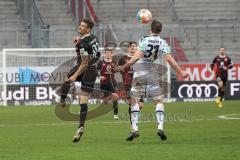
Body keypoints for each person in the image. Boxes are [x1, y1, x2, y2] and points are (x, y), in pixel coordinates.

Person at [115, 20, 188, 141]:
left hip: (139, 74)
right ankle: (160, 127)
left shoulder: (144, 39)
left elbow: (137, 57)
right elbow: (169, 59)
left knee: (135, 102)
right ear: (160, 30)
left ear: (151, 29)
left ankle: (135, 128)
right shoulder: (163, 42)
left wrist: (123, 66)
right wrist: (181, 72)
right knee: (159, 102)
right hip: (153, 75)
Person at [58, 18, 100, 143]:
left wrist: (75, 75)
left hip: (84, 67)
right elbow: (94, 53)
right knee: (83, 99)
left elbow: (84, 62)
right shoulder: (93, 37)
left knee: (68, 79)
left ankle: (62, 101)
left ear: (88, 29)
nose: (80, 27)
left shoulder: (83, 44)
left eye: (82, 26)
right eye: (80, 25)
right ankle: (81, 126)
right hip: (92, 69)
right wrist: (79, 40)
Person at [118, 41, 144, 127]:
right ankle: (133, 125)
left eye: (134, 46)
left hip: (139, 84)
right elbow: (118, 68)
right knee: (132, 104)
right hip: (128, 84)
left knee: (140, 105)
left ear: (137, 48)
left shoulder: (140, 58)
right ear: (128, 48)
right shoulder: (123, 59)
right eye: (130, 46)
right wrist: (124, 75)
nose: (132, 47)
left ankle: (134, 120)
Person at [98, 48, 119, 120]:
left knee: (115, 97)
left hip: (112, 82)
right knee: (105, 102)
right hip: (103, 83)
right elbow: (96, 71)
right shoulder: (101, 62)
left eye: (109, 53)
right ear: (104, 54)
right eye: (106, 53)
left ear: (112, 54)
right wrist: (99, 76)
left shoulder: (114, 62)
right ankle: (106, 96)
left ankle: (115, 115)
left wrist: (114, 68)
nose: (108, 54)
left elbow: (116, 70)